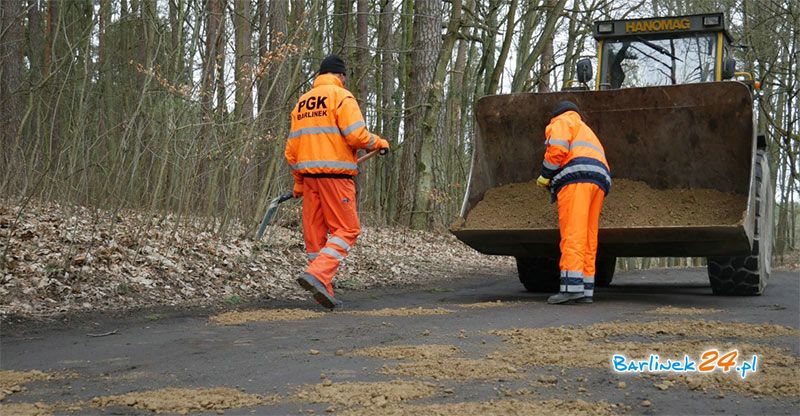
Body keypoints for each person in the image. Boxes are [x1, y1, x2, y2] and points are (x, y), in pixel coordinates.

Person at [284, 54, 390, 309]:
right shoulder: (342, 96)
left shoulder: (302, 103)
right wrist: (379, 142)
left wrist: (298, 181)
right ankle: (318, 275)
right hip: (335, 176)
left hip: (309, 178)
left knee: (316, 238)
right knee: (347, 229)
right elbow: (356, 136)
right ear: (341, 75)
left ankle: (324, 289)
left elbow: (292, 149)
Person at [536, 101, 611, 304]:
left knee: (573, 232)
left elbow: (557, 149)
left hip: (576, 178)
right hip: (599, 180)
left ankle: (570, 288)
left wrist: (545, 175)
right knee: (588, 235)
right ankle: (586, 289)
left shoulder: (562, 121)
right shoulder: (585, 129)